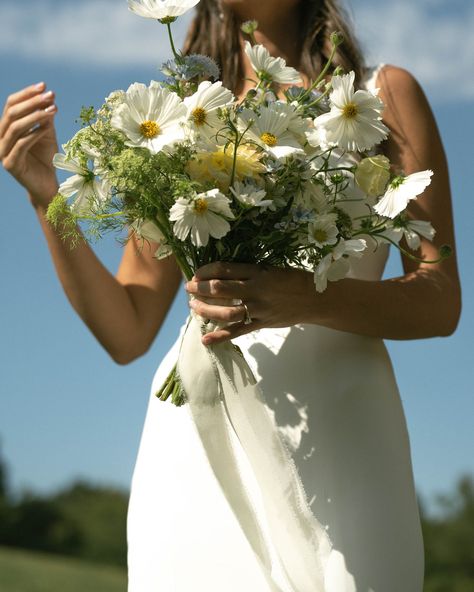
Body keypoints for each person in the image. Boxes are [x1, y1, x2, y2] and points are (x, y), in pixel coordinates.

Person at [0, 0, 461, 590]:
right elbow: (127, 327)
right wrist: (47, 197)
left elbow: (439, 297)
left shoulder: (384, 95)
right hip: (195, 438)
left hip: (339, 435)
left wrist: (307, 299)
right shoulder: (174, 119)